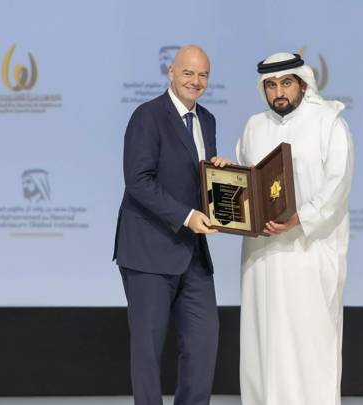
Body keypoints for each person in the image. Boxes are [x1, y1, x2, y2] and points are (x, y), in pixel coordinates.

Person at [236, 52, 355, 405]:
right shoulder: (254, 126)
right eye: (270, 85)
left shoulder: (328, 122)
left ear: (303, 83)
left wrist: (299, 217)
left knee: (309, 346)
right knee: (263, 347)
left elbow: (338, 184)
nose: (279, 92)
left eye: (286, 82)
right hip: (261, 257)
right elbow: (245, 185)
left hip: (309, 254)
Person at [113, 45, 228, 405]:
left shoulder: (207, 120)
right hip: (148, 249)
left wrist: (218, 177)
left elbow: (195, 181)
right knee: (147, 353)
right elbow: (138, 180)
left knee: (203, 345)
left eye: (203, 75)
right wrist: (187, 216)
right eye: (188, 73)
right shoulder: (147, 116)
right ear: (171, 74)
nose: (196, 81)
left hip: (192, 254)